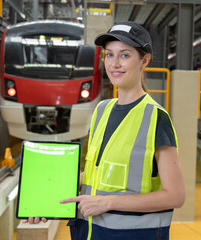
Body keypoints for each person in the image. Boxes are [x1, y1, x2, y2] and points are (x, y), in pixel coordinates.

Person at [24, 21, 185, 240]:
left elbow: (175, 195)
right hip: (89, 233)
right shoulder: (102, 110)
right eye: (109, 55)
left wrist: (109, 203)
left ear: (144, 61)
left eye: (125, 55)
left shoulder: (156, 118)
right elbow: (96, 176)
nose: (115, 64)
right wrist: (46, 198)